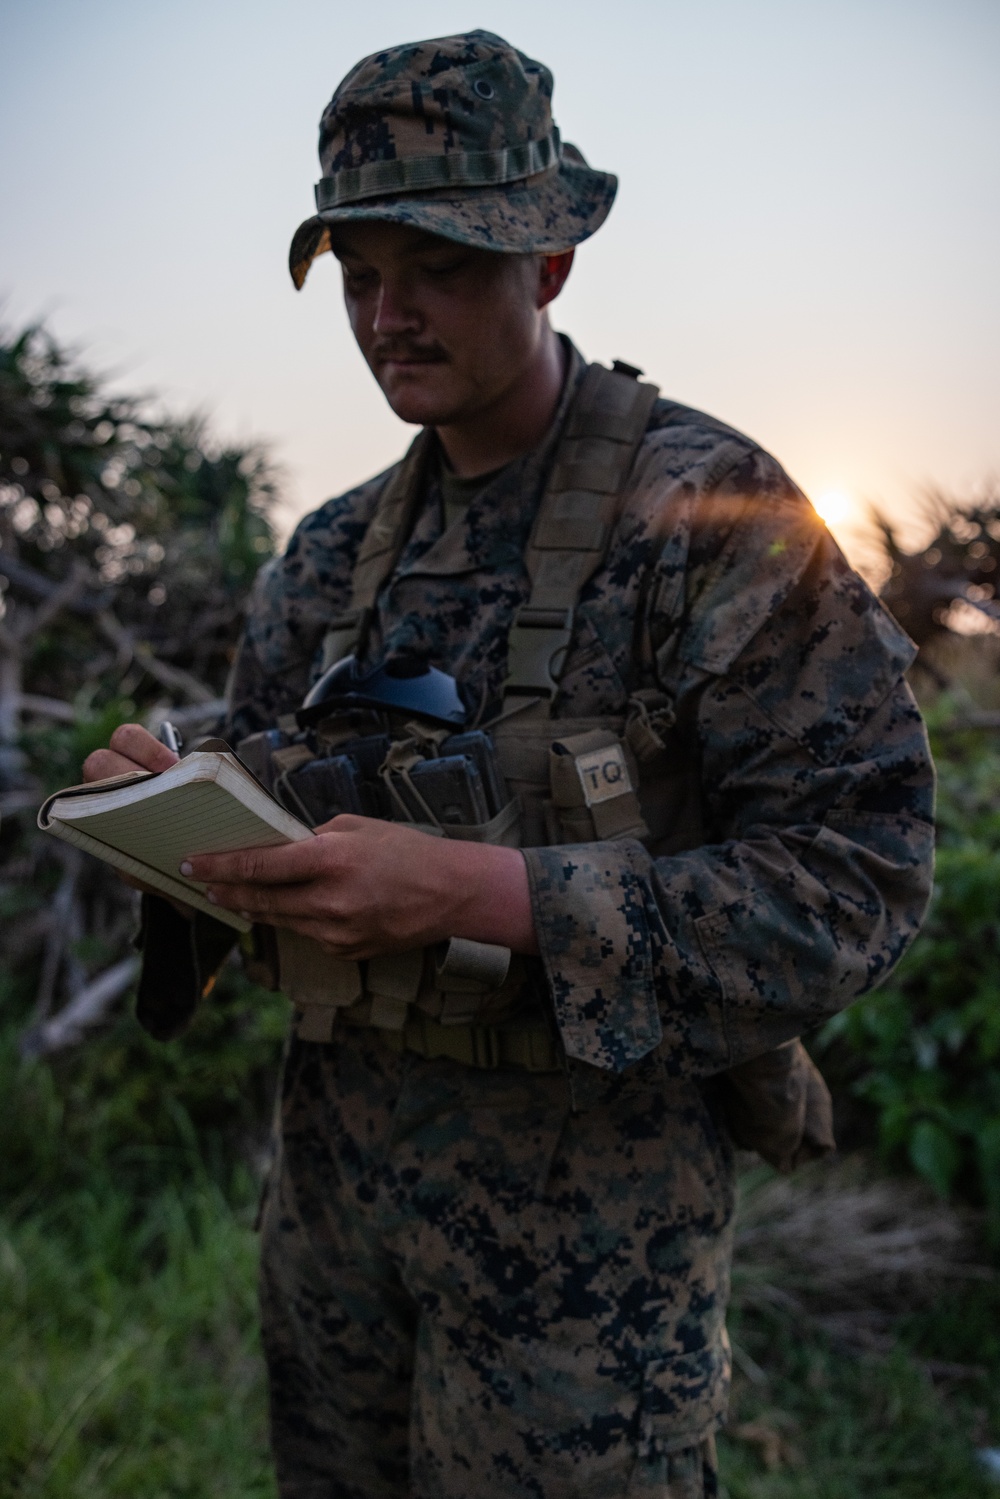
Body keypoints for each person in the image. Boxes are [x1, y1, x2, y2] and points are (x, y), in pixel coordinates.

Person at [84, 31, 935, 1499]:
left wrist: (487, 893)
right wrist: (171, 814)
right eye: (357, 272)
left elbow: (860, 879)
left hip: (588, 1276)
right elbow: (268, 850)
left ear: (550, 264)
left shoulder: (709, 516)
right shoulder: (329, 555)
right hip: (337, 1224)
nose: (388, 315)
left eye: (439, 267)